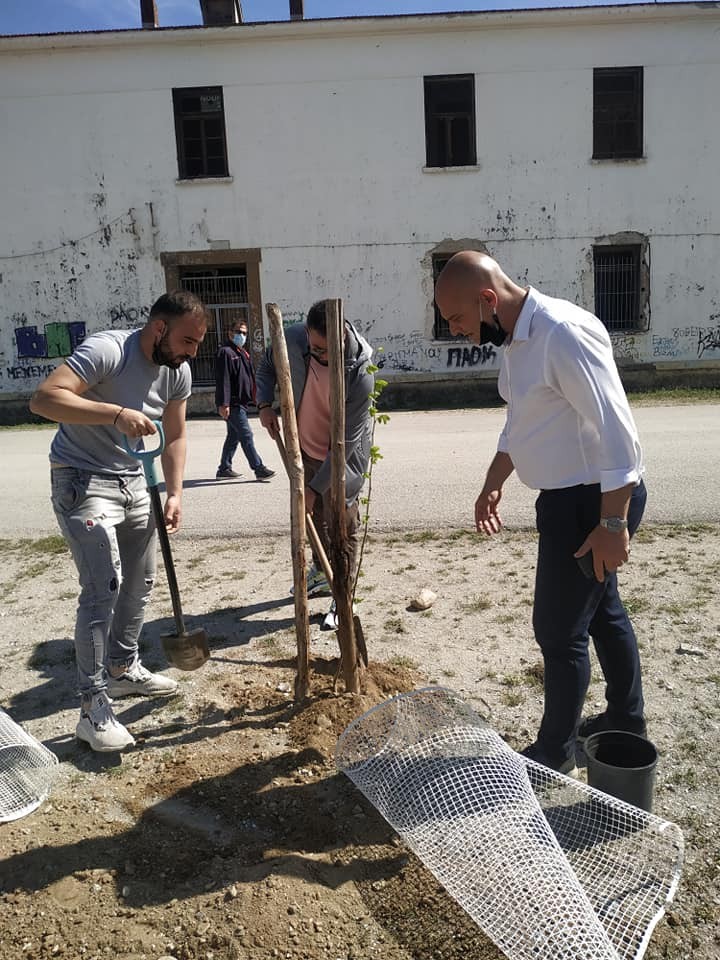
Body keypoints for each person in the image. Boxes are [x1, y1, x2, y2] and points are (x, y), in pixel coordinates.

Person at [435, 251, 647, 776]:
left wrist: (613, 524)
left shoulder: (559, 332)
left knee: (558, 631)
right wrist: (492, 483)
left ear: (488, 300)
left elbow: (618, 431)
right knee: (600, 612)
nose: (457, 332)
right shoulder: (515, 340)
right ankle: (626, 718)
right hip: (566, 500)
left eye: (458, 320)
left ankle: (555, 753)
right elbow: (524, 422)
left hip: (592, 502)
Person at [29, 291, 208, 753]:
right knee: (103, 587)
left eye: (198, 343)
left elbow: (177, 434)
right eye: (188, 340)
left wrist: (175, 493)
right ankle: (92, 709)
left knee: (140, 582)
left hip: (136, 482)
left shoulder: (178, 372)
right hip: (82, 480)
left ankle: (122, 669)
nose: (193, 352)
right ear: (159, 328)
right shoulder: (108, 351)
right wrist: (114, 413)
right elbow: (45, 399)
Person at [256, 300, 374, 626]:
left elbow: (346, 444)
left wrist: (312, 487)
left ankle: (343, 600)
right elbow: (266, 365)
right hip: (305, 451)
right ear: (307, 333)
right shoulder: (292, 340)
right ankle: (323, 574)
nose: (322, 356)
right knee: (317, 522)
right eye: (317, 348)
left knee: (342, 528)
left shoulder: (361, 373)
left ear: (343, 336)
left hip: (343, 462)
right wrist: (264, 403)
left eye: (329, 350)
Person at [215, 318, 274, 481]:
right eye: (238, 332)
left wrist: (255, 397)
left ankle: (224, 468)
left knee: (233, 436)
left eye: (244, 333)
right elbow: (223, 379)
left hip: (241, 402)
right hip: (232, 403)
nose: (241, 335)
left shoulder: (242, 353)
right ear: (230, 333)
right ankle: (258, 468)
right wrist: (224, 403)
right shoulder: (226, 352)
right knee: (246, 435)